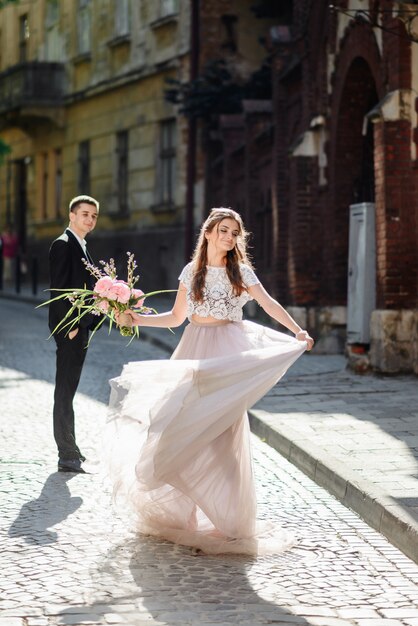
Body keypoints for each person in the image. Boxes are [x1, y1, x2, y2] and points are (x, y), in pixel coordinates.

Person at [108, 207, 314, 555]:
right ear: (208, 233)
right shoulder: (192, 271)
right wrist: (136, 318)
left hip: (228, 354)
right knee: (179, 429)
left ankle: (232, 522)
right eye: (224, 230)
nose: (229, 237)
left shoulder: (242, 271)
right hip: (193, 352)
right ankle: (182, 516)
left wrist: (297, 330)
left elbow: (268, 304)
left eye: (235, 232)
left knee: (223, 436)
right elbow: (176, 317)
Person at [49, 195, 100, 473]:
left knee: (69, 390)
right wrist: (70, 328)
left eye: (93, 215)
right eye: (84, 214)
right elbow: (58, 291)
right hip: (70, 331)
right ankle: (66, 455)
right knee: (65, 391)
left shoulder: (81, 245)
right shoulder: (63, 244)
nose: (89, 219)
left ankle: (72, 450)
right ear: (72, 215)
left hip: (81, 330)